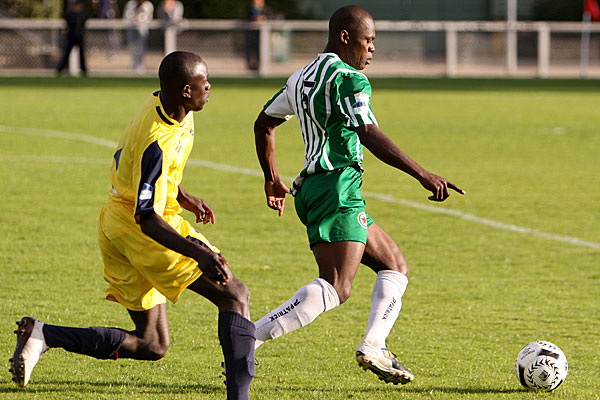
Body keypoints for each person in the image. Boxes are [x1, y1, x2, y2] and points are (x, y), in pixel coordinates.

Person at [10, 51, 256, 400]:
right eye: (204, 83)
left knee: (151, 344)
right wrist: (198, 254)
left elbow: (151, 174)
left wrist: (181, 195)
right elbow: (148, 218)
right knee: (234, 294)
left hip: (116, 221)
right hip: (141, 228)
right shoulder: (159, 139)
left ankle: (43, 335)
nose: (210, 87)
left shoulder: (167, 103)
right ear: (186, 90)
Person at [252, 5, 465, 385]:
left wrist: (272, 178)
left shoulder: (300, 78)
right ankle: (248, 338)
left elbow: (264, 122)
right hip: (337, 187)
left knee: (394, 265)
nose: (372, 49)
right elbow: (366, 131)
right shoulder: (350, 79)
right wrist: (422, 174)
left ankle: (374, 345)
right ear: (345, 37)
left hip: (315, 188)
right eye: (368, 40)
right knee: (336, 286)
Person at [56, 0, 87, 76]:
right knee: (66, 54)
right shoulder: (70, 14)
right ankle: (59, 69)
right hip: (71, 37)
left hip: (79, 37)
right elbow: (66, 17)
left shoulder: (82, 14)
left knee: (82, 55)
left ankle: (84, 70)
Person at [124, 0, 154, 73]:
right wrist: (132, 20)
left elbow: (148, 18)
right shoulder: (131, 4)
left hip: (142, 30)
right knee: (132, 46)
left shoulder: (148, 5)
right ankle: (134, 63)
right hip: (131, 28)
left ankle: (140, 64)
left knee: (141, 46)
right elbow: (126, 16)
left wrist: (140, 20)